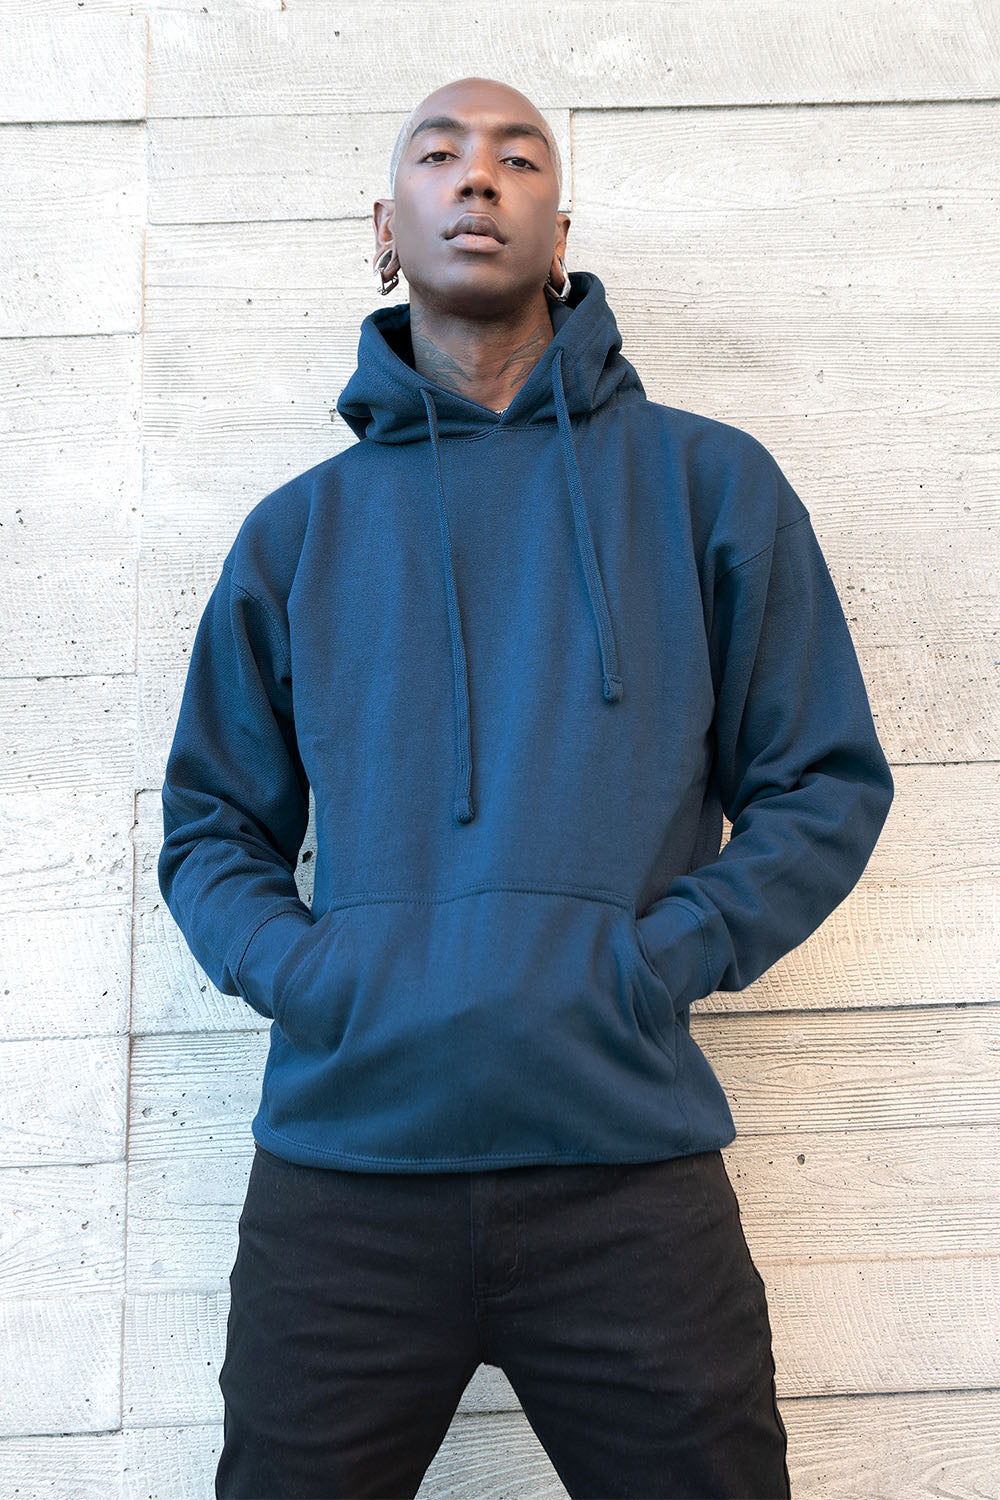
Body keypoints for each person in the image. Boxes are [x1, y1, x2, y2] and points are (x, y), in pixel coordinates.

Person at [158, 73, 894, 1500]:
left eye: (518, 156)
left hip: (625, 1165)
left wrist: (656, 961)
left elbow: (821, 781)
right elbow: (210, 829)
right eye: (439, 155)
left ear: (562, 232)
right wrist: (317, 979)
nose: (478, 178)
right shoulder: (298, 535)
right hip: (346, 1175)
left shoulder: (708, 487)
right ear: (387, 227)